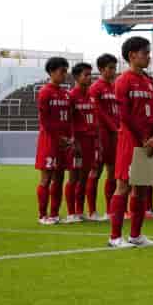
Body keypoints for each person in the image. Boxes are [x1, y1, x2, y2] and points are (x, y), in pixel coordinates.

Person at [108, 37, 153, 248]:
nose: (149, 56)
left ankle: (136, 235)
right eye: (145, 52)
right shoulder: (123, 80)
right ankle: (114, 237)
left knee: (142, 188)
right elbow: (125, 116)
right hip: (131, 141)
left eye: (148, 52)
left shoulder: (149, 81)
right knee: (123, 186)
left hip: (149, 142)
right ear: (132, 55)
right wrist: (143, 138)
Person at [35, 57, 73, 225]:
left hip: (64, 143)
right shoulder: (45, 92)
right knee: (46, 179)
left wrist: (70, 137)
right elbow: (44, 120)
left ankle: (55, 214)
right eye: (61, 71)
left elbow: (70, 119)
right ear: (51, 72)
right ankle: (42, 216)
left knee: (59, 178)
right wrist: (59, 138)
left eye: (66, 71)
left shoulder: (66, 94)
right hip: (50, 141)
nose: (65, 74)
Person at [86, 53, 120, 221]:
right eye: (110, 68)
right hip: (101, 135)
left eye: (115, 68)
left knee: (113, 172)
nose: (113, 71)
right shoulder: (95, 88)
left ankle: (109, 210)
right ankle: (92, 211)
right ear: (101, 69)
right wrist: (114, 128)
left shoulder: (115, 87)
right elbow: (98, 112)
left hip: (115, 135)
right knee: (96, 171)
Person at [64, 62, 98, 223]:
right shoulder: (71, 96)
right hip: (78, 142)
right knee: (73, 177)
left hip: (90, 141)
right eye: (86, 74)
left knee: (84, 178)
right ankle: (71, 213)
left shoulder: (91, 96)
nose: (89, 77)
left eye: (90, 74)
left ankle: (80, 211)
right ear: (77, 77)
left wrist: (97, 141)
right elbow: (68, 120)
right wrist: (73, 140)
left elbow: (95, 120)